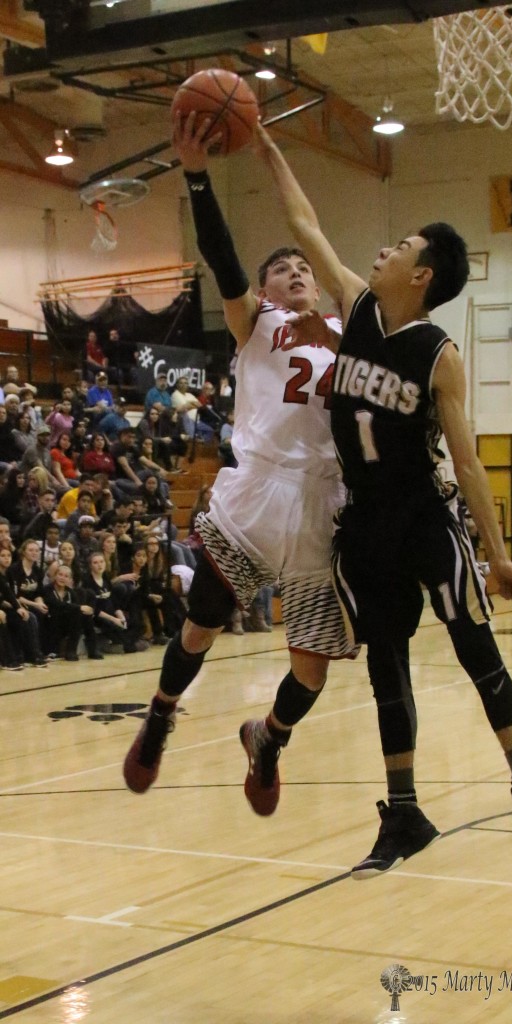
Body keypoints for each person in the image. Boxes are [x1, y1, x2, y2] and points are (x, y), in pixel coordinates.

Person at [257, 121, 512, 876]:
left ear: (423, 274)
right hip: (363, 521)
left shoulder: (441, 355)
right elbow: (304, 222)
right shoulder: (358, 307)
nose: (384, 251)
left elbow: (467, 464)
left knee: (474, 644)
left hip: (424, 514)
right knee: (385, 667)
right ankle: (403, 813)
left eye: (399, 246)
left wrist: (497, 556)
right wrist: (265, 146)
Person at [122, 110, 357, 801]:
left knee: (311, 670)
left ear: (316, 283)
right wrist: (197, 178)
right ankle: (160, 716)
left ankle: (269, 737)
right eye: (280, 269)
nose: (293, 274)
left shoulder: (350, 329)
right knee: (199, 629)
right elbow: (223, 261)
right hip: (256, 491)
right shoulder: (257, 322)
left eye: (301, 269)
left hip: (321, 502)